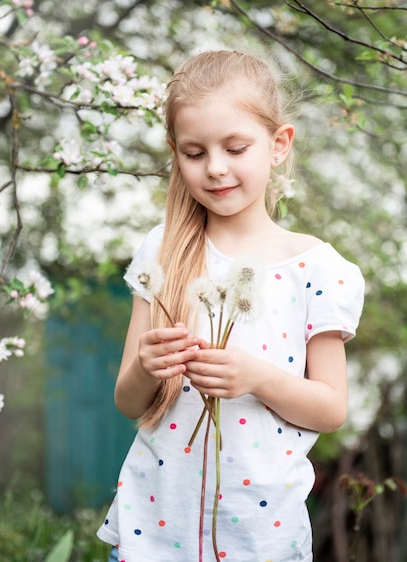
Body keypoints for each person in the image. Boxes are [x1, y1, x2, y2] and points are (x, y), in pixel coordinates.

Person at [97, 50, 365, 562]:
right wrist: (149, 367)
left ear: (278, 144)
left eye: (235, 147)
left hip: (260, 541)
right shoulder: (164, 249)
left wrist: (256, 378)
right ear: (176, 153)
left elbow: (331, 409)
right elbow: (129, 402)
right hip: (149, 533)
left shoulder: (318, 270)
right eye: (195, 153)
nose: (215, 168)